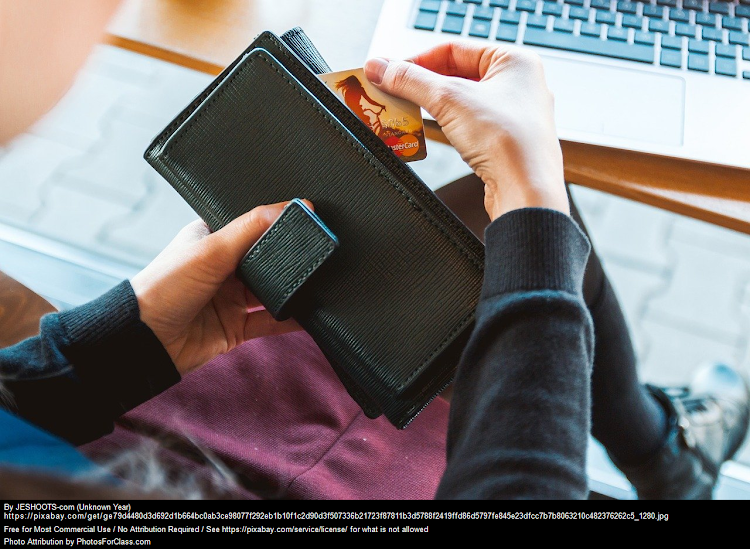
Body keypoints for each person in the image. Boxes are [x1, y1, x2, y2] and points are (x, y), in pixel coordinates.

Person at [1, 0, 748, 500]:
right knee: (532, 241)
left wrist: (112, 346)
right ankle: (665, 458)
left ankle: (662, 453)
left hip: (130, 412)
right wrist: (533, 198)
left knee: (497, 243)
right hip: (231, 463)